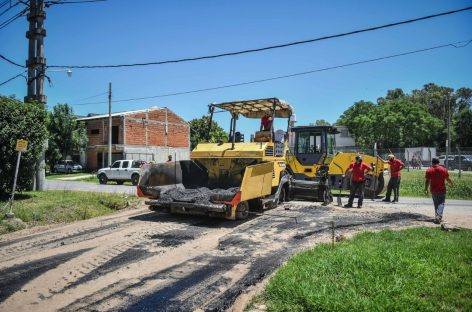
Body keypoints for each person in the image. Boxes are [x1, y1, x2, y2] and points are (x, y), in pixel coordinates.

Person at [425, 157, 454, 224]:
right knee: (441, 203)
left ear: (432, 162)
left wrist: (426, 189)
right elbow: (447, 179)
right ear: (439, 162)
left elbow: (427, 181)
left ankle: (437, 217)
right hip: (442, 189)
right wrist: (451, 184)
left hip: (433, 190)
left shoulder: (429, 170)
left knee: (436, 204)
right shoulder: (443, 169)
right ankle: (438, 217)